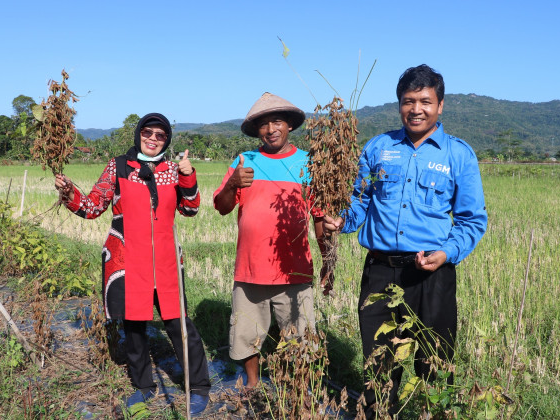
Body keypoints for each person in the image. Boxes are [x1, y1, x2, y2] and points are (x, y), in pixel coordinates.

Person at [323, 65, 488, 417]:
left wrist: (446, 253)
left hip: (431, 275)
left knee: (435, 364)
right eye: (408, 101)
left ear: (440, 105)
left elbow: (473, 220)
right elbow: (359, 202)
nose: (416, 109)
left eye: (425, 101)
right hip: (380, 273)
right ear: (399, 105)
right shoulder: (378, 148)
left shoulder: (458, 155)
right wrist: (341, 220)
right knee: (378, 365)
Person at [54, 113, 211, 416]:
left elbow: (190, 209)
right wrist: (68, 191)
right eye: (148, 133)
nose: (153, 139)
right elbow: (92, 207)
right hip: (128, 259)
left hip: (164, 259)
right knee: (135, 327)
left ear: (167, 139)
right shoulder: (119, 166)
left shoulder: (172, 170)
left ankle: (199, 387)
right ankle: (144, 387)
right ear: (138, 134)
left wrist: (189, 176)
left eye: (160, 135)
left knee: (179, 324)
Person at [213, 92, 328, 390]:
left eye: (277, 121)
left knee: (301, 336)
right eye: (263, 124)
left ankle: (299, 390)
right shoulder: (244, 161)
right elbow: (223, 207)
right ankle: (252, 383)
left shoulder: (309, 164)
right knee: (246, 333)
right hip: (250, 268)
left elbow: (319, 217)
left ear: (289, 125)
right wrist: (233, 183)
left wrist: (328, 260)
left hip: (295, 270)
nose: (271, 129)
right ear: (257, 131)